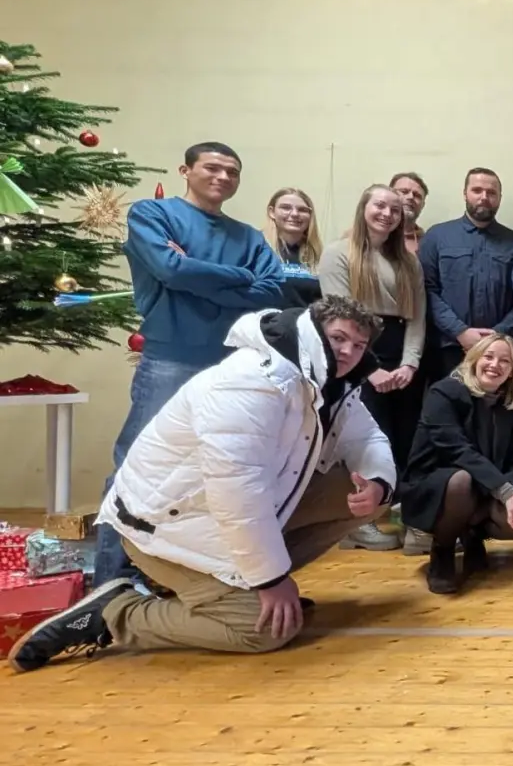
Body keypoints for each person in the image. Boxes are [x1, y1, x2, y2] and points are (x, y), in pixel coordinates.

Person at [10, 297, 394, 672]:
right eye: (338, 338)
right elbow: (238, 492)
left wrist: (377, 482)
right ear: (311, 330)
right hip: (164, 527)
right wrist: (272, 579)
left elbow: (367, 439)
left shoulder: (326, 382)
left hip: (221, 517)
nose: (348, 351)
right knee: (261, 632)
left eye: (358, 345)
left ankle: (235, 588)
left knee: (363, 496)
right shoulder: (252, 382)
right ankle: (116, 613)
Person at [93, 141, 286, 586]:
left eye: (231, 172)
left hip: (229, 366)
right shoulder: (152, 215)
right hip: (170, 358)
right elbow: (169, 271)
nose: (222, 178)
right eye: (212, 168)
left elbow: (272, 291)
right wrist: (240, 278)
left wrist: (194, 272)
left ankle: (181, 579)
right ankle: (109, 583)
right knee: (136, 466)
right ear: (186, 170)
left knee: (211, 473)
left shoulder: (249, 237)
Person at [318, 184, 427, 551]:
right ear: (364, 207)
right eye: (380, 205)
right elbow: (341, 318)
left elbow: (417, 318)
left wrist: (410, 363)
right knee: (364, 441)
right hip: (359, 355)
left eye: (395, 210)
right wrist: (368, 369)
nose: (387, 214)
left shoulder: (409, 261)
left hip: (402, 359)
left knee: (404, 441)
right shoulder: (338, 254)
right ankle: (356, 525)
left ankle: (405, 518)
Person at [398, 334, 513, 595]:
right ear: (474, 360)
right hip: (435, 487)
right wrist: (507, 492)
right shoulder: (444, 392)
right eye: (489, 356)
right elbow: (458, 451)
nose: (495, 364)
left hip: (484, 485)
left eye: (505, 361)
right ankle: (443, 550)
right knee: (462, 481)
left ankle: (471, 536)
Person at [419, 167, 513, 389]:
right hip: (447, 348)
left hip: (499, 353)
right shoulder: (437, 236)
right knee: (447, 411)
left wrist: (498, 335)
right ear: (465, 193)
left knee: (492, 415)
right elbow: (426, 290)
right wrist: (460, 331)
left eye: (491, 192)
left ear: (499, 198)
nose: (484, 197)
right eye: (477, 190)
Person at [262, 187, 323, 308]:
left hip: (307, 324)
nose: (295, 214)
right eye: (285, 208)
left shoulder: (319, 256)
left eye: (302, 210)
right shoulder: (257, 248)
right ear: (272, 212)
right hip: (265, 323)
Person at [390, 172, 430, 254]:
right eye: (404, 191)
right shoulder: (372, 236)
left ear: (422, 205)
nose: (411, 197)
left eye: (417, 195)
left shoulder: (427, 242)